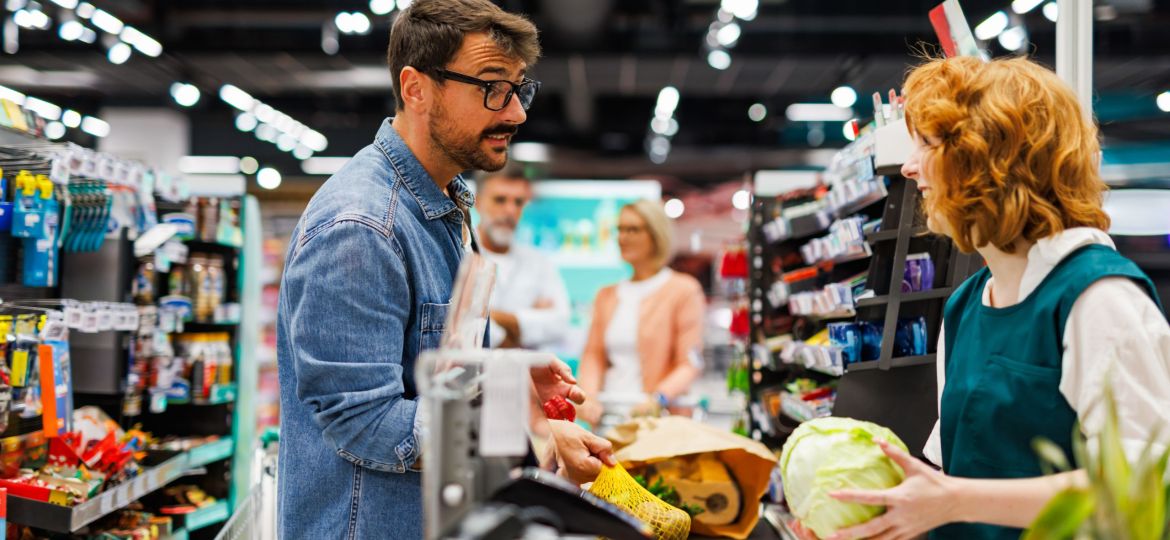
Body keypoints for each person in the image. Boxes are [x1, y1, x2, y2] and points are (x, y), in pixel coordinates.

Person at [276, 2, 613, 538]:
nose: (515, 113)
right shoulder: (362, 228)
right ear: (416, 89)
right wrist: (518, 428)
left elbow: (434, 374)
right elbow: (365, 424)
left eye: (518, 88)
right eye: (491, 87)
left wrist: (512, 390)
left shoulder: (442, 205)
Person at [824, 56, 1170, 540]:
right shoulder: (965, 305)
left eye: (927, 145)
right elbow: (952, 473)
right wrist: (849, 507)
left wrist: (953, 501)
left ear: (990, 160)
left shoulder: (1099, 298)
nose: (908, 167)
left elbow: (1143, 484)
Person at [577, 199, 706, 426]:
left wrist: (658, 398)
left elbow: (689, 363)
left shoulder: (683, 291)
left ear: (656, 235)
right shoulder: (606, 295)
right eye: (620, 229)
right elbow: (593, 355)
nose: (622, 237)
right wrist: (587, 396)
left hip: (658, 421)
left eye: (633, 229)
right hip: (609, 419)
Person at [475, 163, 571, 350]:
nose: (510, 211)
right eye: (500, 200)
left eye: (518, 202)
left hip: (526, 378)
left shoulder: (538, 262)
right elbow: (457, 325)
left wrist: (492, 316)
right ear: (477, 202)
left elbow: (560, 324)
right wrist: (528, 322)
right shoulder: (461, 254)